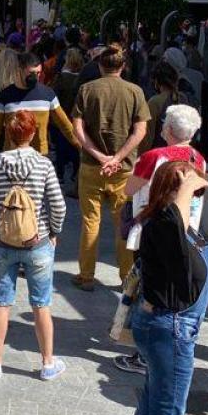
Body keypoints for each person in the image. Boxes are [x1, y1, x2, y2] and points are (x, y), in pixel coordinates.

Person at [0, 110, 67, 382]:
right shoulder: (43, 165)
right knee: (41, 304)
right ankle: (47, 363)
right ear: (33, 133)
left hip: (3, 242)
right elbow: (58, 205)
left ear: (8, 133)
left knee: (1, 302)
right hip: (37, 242)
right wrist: (53, 231)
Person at [128, 161, 208, 415]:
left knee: (152, 404)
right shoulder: (165, 225)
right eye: (190, 195)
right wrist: (187, 184)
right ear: (173, 193)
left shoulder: (181, 226)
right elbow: (178, 255)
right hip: (170, 328)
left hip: (168, 326)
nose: (194, 201)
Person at [71, 45, 149, 291]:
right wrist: (116, 158)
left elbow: (78, 129)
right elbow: (141, 131)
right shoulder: (135, 91)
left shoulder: (87, 89)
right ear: (122, 66)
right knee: (123, 224)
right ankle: (126, 277)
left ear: (100, 65)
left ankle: (86, 275)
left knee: (90, 221)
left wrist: (98, 155)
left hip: (91, 166)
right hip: (123, 168)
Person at [50, 47, 84, 197]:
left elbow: (54, 96)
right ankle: (75, 173)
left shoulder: (62, 78)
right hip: (76, 117)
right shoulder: (82, 78)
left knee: (60, 146)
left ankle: (60, 174)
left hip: (61, 114)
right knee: (76, 146)